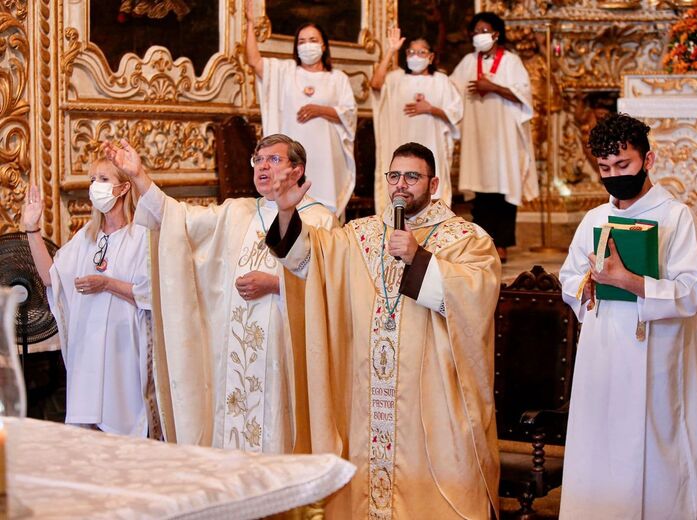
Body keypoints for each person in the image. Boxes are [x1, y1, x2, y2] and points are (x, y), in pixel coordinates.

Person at [265, 142, 501, 519]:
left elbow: (476, 299)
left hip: (430, 402)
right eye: (394, 176)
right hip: (368, 395)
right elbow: (308, 260)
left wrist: (419, 257)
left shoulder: (466, 238)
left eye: (412, 176)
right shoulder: (360, 235)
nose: (401, 186)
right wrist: (286, 210)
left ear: (434, 183)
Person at [103, 134, 338, 453]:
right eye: (258, 159)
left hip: (286, 353)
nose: (263, 167)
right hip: (236, 359)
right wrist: (138, 176)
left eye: (274, 159)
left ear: (297, 170)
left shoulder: (320, 217)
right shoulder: (236, 212)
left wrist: (273, 284)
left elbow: (331, 284)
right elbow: (175, 220)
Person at [558, 113, 697, 519]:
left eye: (623, 165)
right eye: (605, 168)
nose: (614, 175)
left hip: (655, 357)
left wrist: (630, 281)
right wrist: (582, 287)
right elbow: (570, 276)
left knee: (654, 453)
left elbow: (689, 292)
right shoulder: (594, 218)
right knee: (598, 446)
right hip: (602, 353)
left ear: (648, 159)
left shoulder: (677, 218)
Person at [22, 158, 156, 437]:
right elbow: (52, 278)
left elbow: (152, 294)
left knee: (123, 436)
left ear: (123, 188)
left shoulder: (142, 236)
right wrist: (32, 230)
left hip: (124, 352)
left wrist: (107, 284)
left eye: (103, 179)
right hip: (88, 351)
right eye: (92, 180)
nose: (95, 186)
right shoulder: (87, 237)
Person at [244, 2, 357, 217]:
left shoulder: (337, 79)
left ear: (324, 46)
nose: (307, 45)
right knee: (292, 208)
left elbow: (349, 114)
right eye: (302, 41)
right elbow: (254, 60)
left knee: (326, 214)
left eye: (313, 40)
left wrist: (321, 110)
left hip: (327, 158)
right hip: (292, 158)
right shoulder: (284, 72)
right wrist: (250, 23)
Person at [450, 11, 538, 263]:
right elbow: (451, 89)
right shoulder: (468, 61)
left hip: (504, 137)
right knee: (481, 189)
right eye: (475, 31)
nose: (479, 36)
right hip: (477, 136)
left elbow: (524, 95)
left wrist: (494, 88)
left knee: (503, 186)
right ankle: (482, 242)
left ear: (496, 34)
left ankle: (502, 244)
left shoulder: (511, 61)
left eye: (483, 30)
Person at [370, 27, 463, 215]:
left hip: (433, 146)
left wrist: (431, 109)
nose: (416, 56)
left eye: (421, 52)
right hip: (399, 142)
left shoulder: (442, 81)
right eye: (411, 52)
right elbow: (375, 83)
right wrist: (391, 50)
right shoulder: (395, 78)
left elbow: (456, 114)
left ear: (430, 57)